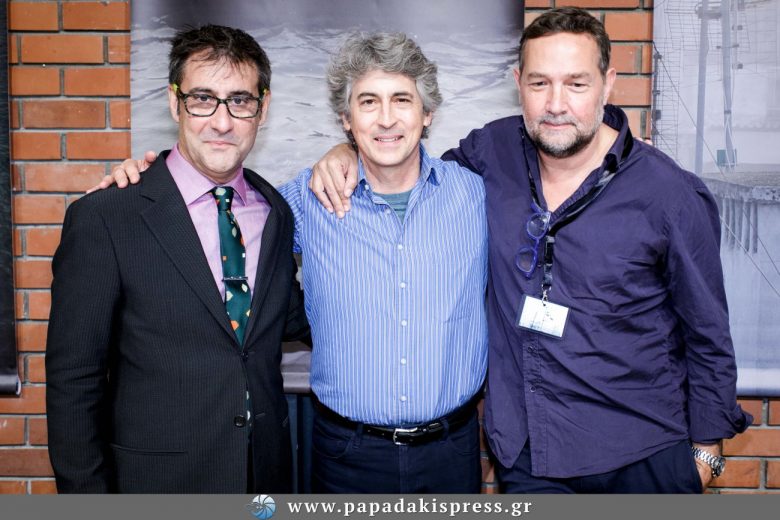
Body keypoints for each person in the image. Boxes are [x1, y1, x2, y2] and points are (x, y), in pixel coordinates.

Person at [309, 7, 752, 493]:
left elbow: (707, 332)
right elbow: (405, 165)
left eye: (576, 84)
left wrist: (705, 453)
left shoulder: (667, 192)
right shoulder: (490, 152)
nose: (556, 104)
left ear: (608, 85)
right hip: (531, 459)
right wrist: (348, 151)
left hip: (640, 453)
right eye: (540, 83)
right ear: (519, 83)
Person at [92, 32, 488, 493]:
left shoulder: (476, 196)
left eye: (402, 99)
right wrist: (142, 180)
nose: (386, 118)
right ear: (346, 119)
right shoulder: (301, 201)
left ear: (427, 113)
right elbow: (213, 222)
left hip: (452, 450)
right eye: (367, 102)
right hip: (346, 454)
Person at [46, 24, 309, 493]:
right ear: (174, 102)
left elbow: (289, 319)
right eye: (203, 99)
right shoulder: (107, 217)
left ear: (262, 108)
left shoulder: (275, 212)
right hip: (156, 483)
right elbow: (74, 381)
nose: (222, 122)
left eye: (240, 100)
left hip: (263, 479)